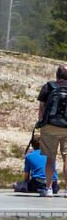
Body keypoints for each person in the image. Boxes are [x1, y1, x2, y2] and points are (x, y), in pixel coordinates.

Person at [36, 64, 67, 199]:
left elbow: (41, 108)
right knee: (66, 158)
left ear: (57, 74)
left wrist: (41, 122)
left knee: (50, 158)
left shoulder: (48, 86)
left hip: (49, 126)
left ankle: (48, 189)